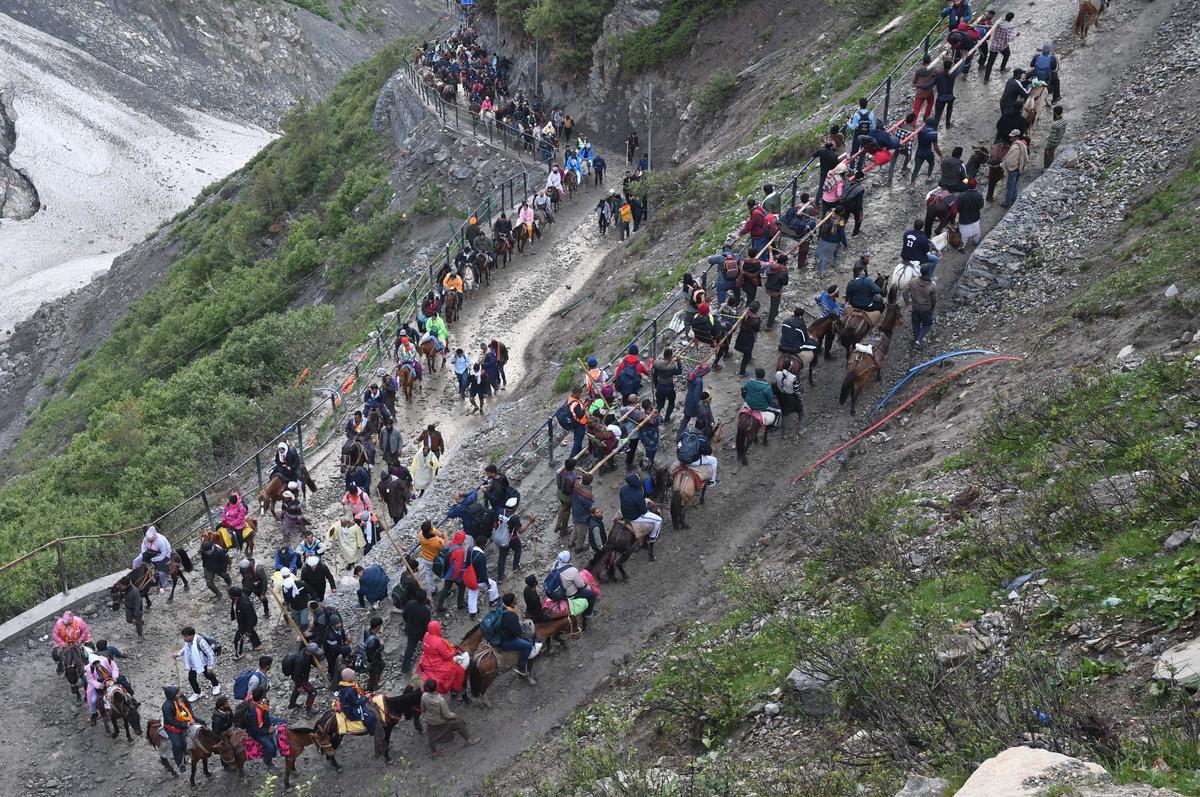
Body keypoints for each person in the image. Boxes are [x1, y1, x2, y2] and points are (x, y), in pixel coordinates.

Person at [421, 678, 476, 757]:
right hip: (440, 721)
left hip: (430, 721)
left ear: (427, 688)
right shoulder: (440, 700)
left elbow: (422, 709)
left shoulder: (424, 696)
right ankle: (468, 740)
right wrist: (455, 715)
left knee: (431, 736)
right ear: (436, 687)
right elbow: (446, 715)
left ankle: (434, 752)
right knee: (458, 722)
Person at [417, 620, 467, 695]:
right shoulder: (439, 641)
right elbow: (447, 656)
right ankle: (455, 689)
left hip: (426, 659)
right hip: (436, 663)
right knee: (460, 671)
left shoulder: (426, 635)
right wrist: (454, 651)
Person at [494, 593, 537, 680]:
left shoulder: (502, 607)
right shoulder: (511, 616)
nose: (516, 599)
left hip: (499, 634)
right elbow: (518, 632)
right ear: (511, 603)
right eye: (515, 599)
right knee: (528, 645)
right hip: (506, 641)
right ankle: (521, 667)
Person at [178, 626, 220, 702]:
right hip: (193, 664)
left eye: (186, 637)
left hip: (203, 663)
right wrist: (179, 654)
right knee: (191, 679)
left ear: (191, 635)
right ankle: (197, 692)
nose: (184, 638)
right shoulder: (188, 642)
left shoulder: (200, 641)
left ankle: (216, 685)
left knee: (208, 675)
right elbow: (185, 648)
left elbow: (210, 653)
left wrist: (210, 666)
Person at [161, 686, 195, 773]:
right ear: (173, 695)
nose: (180, 693)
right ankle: (180, 763)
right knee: (177, 745)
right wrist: (186, 724)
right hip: (174, 727)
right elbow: (171, 721)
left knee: (202, 723)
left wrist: (191, 716)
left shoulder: (180, 697)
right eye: (178, 693)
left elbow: (188, 704)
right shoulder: (166, 707)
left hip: (185, 717)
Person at [554, 551, 598, 619]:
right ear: (568, 559)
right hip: (571, 594)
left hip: (560, 589)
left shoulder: (555, 564)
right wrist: (586, 585)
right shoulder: (572, 570)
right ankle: (588, 613)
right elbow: (580, 585)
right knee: (592, 595)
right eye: (570, 556)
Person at [84, 648, 119, 725]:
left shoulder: (105, 660)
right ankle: (94, 714)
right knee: (93, 700)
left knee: (125, 686)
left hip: (111, 680)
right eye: (95, 664)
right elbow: (90, 680)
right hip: (100, 685)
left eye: (97, 662)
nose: (97, 665)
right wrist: (99, 685)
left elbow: (114, 667)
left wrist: (114, 677)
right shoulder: (89, 669)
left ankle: (131, 701)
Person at [401, 588, 432, 674]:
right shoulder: (426, 611)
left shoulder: (410, 603)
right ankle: (430, 661)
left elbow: (404, 615)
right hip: (421, 633)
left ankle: (405, 669)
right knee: (429, 645)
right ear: (425, 599)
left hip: (410, 630)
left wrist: (408, 623)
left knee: (409, 649)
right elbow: (427, 625)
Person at [906, 264, 937, 347]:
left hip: (915, 307)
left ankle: (917, 341)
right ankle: (918, 340)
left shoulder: (913, 281)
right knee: (928, 323)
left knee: (916, 325)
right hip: (925, 309)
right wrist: (932, 309)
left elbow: (904, 293)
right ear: (929, 273)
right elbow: (934, 300)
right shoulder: (932, 285)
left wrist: (908, 304)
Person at [285, 642, 322, 713]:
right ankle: (309, 708)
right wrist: (299, 686)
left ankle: (292, 704)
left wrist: (317, 665)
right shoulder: (300, 661)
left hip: (302, 676)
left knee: (297, 689)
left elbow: (311, 661)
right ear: (310, 652)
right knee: (313, 692)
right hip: (301, 679)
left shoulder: (306, 652)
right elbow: (296, 675)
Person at [228, 585, 261, 660]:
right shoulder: (237, 599)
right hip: (242, 621)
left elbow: (250, 617)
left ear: (235, 596)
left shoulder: (244, 604)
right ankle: (258, 645)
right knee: (251, 632)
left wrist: (248, 629)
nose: (229, 596)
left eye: (230, 595)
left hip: (245, 624)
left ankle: (239, 654)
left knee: (238, 639)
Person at [139, 526, 173, 593]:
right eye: (148, 539)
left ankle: (163, 585)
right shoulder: (146, 539)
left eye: (150, 540)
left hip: (163, 554)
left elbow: (163, 553)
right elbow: (143, 547)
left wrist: (154, 559)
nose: (149, 541)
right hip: (152, 551)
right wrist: (144, 555)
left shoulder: (160, 541)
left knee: (162, 571)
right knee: (137, 561)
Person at [985, 11, 1017, 82]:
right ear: (1011, 19)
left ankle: (986, 79)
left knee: (990, 63)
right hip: (1003, 46)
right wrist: (1016, 35)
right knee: (1007, 54)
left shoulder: (999, 23)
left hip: (994, 46)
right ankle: (1002, 68)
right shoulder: (1008, 27)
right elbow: (1009, 39)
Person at [417, 520, 446, 595]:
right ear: (430, 530)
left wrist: (436, 532)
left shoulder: (420, 535)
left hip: (425, 558)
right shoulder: (437, 541)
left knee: (428, 574)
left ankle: (432, 590)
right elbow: (443, 548)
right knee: (441, 573)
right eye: (431, 527)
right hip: (435, 560)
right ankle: (445, 589)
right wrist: (444, 537)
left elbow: (431, 531)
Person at [1001, 131, 1029, 208]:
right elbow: (1026, 158)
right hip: (1019, 168)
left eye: (1012, 137)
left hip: (1013, 170)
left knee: (1010, 187)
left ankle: (1007, 203)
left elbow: (1009, 161)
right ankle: (1014, 198)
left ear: (1016, 137)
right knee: (1014, 185)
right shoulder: (1023, 145)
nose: (1010, 138)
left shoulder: (1015, 147)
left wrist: (1004, 164)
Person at [814, 211, 848, 275]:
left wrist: (819, 236)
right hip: (834, 241)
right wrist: (845, 244)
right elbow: (842, 234)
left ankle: (823, 270)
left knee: (824, 255)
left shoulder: (826, 218)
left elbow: (821, 228)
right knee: (835, 252)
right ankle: (828, 268)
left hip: (824, 239)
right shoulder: (840, 221)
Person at [733, 300, 762, 377]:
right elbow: (757, 329)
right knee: (747, 353)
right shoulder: (755, 320)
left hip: (742, 334)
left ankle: (749, 359)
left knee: (746, 351)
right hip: (749, 337)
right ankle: (742, 372)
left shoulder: (745, 313)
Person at [569, 472, 595, 554]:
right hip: (582, 517)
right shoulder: (587, 495)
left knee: (575, 528)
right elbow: (589, 506)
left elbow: (576, 478)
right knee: (582, 533)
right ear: (590, 482)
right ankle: (578, 548)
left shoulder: (576, 487)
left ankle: (571, 543)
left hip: (575, 512)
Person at [359, 617, 386, 691]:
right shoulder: (374, 640)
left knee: (374, 675)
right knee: (375, 674)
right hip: (373, 662)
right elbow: (373, 654)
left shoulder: (367, 632)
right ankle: (373, 689)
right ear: (378, 626)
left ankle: (370, 687)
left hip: (367, 659)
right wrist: (381, 645)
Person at [554, 458, 580, 537]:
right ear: (573, 467)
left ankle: (558, 525)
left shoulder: (560, 471)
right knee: (566, 512)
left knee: (563, 506)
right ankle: (564, 530)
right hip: (567, 497)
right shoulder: (573, 477)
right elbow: (576, 489)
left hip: (559, 492)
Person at [957, 179, 985, 247]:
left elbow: (958, 207)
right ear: (975, 185)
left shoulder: (961, 196)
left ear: (967, 185)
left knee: (964, 234)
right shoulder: (979, 195)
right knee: (976, 232)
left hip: (964, 219)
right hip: (975, 217)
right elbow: (981, 206)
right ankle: (976, 241)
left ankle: (962, 245)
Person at [839, 170, 867, 236]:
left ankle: (840, 229)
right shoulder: (860, 189)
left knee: (843, 218)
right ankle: (855, 232)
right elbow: (859, 204)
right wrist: (861, 214)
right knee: (858, 219)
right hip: (854, 207)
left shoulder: (848, 183)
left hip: (845, 204)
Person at [911, 54, 938, 121]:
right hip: (928, 92)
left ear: (923, 61)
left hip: (919, 93)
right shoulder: (933, 69)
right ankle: (926, 117)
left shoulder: (918, 71)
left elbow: (914, 81)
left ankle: (913, 123)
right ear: (930, 60)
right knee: (930, 103)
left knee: (916, 110)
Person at [565, 386, 588, 459]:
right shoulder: (575, 403)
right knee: (577, 441)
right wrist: (584, 407)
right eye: (579, 393)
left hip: (575, 423)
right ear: (576, 393)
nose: (580, 395)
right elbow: (580, 415)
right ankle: (571, 458)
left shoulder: (570, 399)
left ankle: (579, 453)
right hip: (579, 424)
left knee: (578, 439)